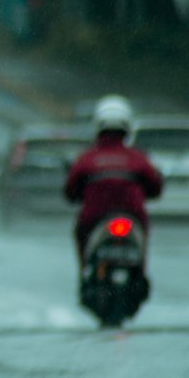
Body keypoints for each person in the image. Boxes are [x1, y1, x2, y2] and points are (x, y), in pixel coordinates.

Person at [64, 95, 163, 266]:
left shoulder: (87, 158)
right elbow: (155, 186)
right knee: (144, 231)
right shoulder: (137, 158)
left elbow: (71, 189)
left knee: (80, 232)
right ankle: (141, 268)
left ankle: (85, 270)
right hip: (133, 215)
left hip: (94, 216)